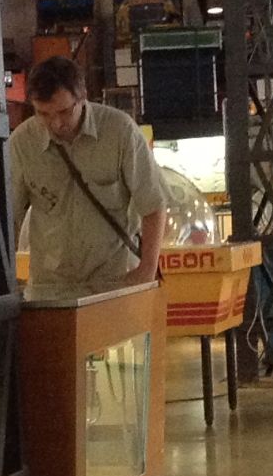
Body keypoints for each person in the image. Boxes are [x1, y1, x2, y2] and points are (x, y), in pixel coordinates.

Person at [10, 56, 165, 297]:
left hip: (115, 286)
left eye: (64, 111)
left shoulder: (120, 132)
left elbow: (153, 206)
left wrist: (145, 272)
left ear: (82, 97)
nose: (55, 123)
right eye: (43, 113)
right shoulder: (22, 143)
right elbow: (9, 219)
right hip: (50, 290)